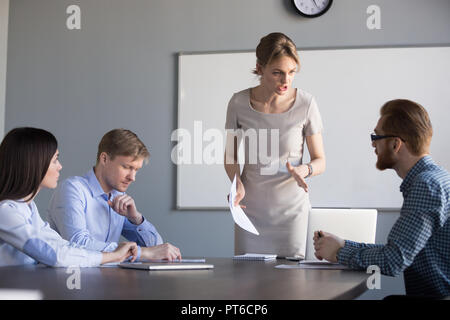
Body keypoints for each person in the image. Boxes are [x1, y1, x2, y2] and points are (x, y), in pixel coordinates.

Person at [314, 99, 450, 298]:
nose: (372, 143)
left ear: (396, 144)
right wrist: (342, 245)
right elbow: (397, 250)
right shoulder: (436, 177)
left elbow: (393, 261)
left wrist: (340, 253)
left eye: (376, 136)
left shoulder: (426, 186)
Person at [224, 32, 326, 258]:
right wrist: (236, 182)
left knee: (292, 285)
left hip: (292, 213)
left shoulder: (306, 103)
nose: (285, 81)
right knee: (247, 284)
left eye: (291, 73)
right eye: (277, 73)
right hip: (250, 209)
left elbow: (320, 160)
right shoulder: (238, 103)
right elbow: (230, 156)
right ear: (260, 68)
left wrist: (305, 169)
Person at [0, 127, 138, 267]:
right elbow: (55, 255)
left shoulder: (29, 208)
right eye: (55, 160)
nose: (60, 166)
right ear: (33, 163)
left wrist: (117, 253)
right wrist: (113, 256)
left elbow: (63, 246)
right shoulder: (5, 212)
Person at [48, 129, 181, 261]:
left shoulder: (118, 197)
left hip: (108, 279)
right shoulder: (73, 189)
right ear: (104, 159)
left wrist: (135, 218)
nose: (132, 177)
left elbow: (156, 248)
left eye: (136, 170)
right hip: (73, 280)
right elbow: (78, 245)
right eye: (126, 167)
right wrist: (140, 253)